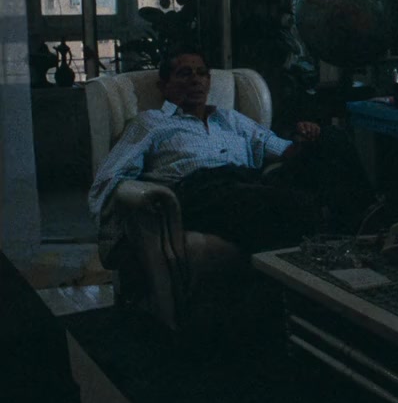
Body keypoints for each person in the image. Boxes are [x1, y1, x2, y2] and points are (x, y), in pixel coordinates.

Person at [89, 45, 375, 256]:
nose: (195, 80)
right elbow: (111, 175)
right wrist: (112, 239)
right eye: (184, 74)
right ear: (164, 85)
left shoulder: (230, 118)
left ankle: (369, 222)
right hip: (197, 189)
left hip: (249, 182)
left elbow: (284, 152)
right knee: (285, 202)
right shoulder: (151, 122)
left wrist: (306, 139)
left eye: (202, 73)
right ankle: (332, 225)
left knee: (331, 137)